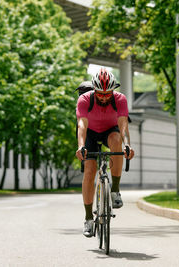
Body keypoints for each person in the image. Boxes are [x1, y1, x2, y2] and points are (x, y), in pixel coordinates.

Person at [75, 68, 135, 238]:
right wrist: (81, 147)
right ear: (94, 90)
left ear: (113, 90)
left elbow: (123, 125)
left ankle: (115, 190)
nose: (103, 96)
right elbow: (82, 126)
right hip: (90, 133)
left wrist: (127, 145)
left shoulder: (120, 99)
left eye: (107, 93)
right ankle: (88, 218)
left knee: (116, 141)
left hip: (111, 130)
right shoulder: (85, 99)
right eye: (100, 93)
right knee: (90, 170)